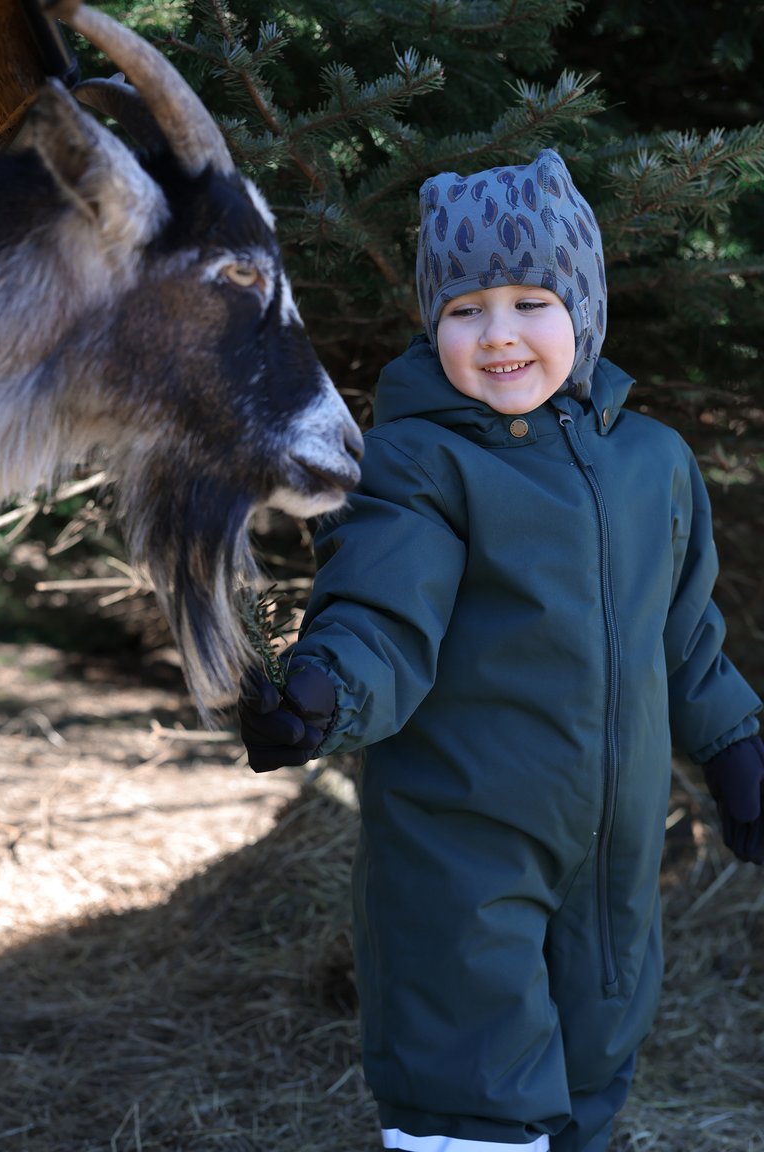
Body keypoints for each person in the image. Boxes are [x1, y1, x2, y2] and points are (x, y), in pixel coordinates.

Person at [238, 149, 764, 1152]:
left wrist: (734, 749)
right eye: (465, 309)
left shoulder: (652, 461)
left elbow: (684, 634)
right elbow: (384, 610)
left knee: (590, 1068)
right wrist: (320, 690)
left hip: (612, 853)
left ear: (583, 306)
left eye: (529, 300)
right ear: (432, 325)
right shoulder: (414, 460)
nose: (498, 335)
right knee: (473, 1082)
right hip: (460, 842)